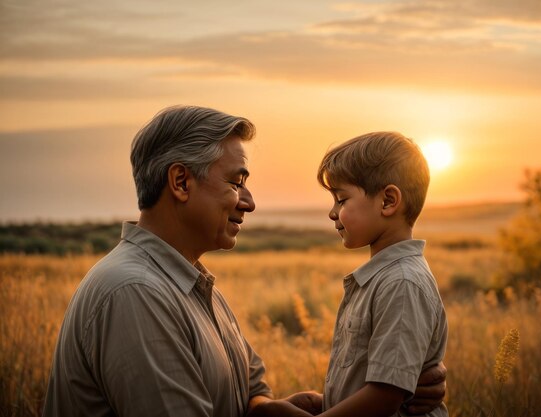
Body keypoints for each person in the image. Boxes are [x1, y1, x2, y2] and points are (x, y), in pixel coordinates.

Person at [43, 107, 446, 417]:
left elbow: (250, 392)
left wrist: (388, 393)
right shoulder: (136, 294)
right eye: (237, 183)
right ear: (181, 182)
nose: (250, 202)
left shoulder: (191, 284)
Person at [250, 132, 448, 417]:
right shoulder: (382, 278)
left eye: (341, 200)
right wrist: (323, 403)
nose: (332, 213)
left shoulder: (401, 283)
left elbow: (384, 397)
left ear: (388, 201)